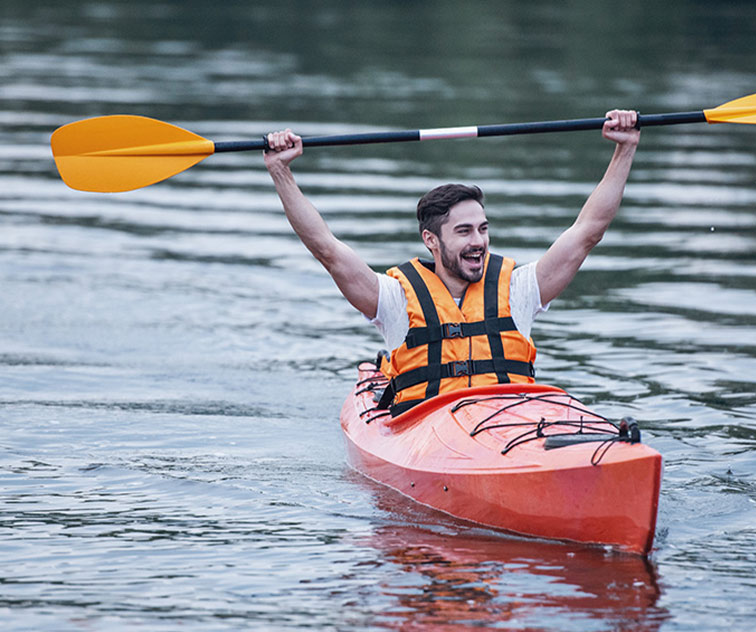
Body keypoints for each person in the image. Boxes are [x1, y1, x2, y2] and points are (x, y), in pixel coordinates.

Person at [264, 110, 640, 415]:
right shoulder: (394, 299)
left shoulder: (519, 288)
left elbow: (587, 231)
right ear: (431, 240)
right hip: (430, 434)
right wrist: (281, 170)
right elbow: (325, 248)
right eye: (463, 232)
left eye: (483, 228)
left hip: (513, 426)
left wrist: (624, 149)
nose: (478, 242)